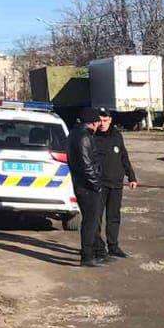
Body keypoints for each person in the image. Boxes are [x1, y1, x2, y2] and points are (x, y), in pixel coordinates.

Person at [92, 109, 138, 259]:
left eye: (105, 121)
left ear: (110, 120)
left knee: (113, 217)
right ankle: (98, 247)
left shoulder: (116, 136)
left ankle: (113, 246)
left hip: (116, 183)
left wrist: (131, 177)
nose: (103, 124)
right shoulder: (92, 136)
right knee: (96, 217)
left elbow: (124, 156)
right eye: (100, 121)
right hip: (99, 184)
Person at [70, 106, 107, 267]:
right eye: (98, 121)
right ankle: (87, 256)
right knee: (91, 222)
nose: (100, 124)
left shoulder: (75, 133)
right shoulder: (84, 137)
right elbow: (87, 165)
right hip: (87, 187)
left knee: (91, 221)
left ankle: (98, 251)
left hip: (81, 184)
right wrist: (96, 184)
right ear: (93, 122)